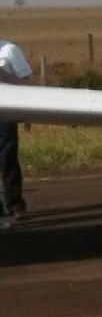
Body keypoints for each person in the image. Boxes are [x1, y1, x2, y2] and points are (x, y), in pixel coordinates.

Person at [0, 39, 33, 226]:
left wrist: (27, 113)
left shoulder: (10, 50)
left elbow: (25, 81)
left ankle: (14, 203)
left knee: (7, 157)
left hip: (5, 113)